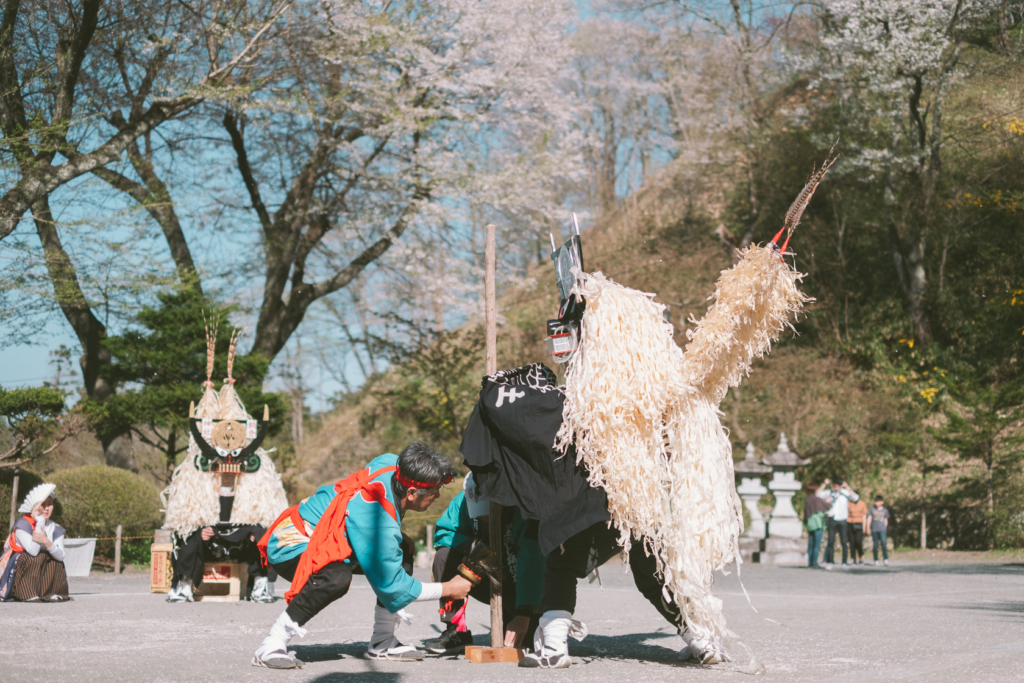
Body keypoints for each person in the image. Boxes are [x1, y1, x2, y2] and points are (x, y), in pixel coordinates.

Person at [253, 442, 474, 669]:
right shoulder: (378, 522)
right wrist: (449, 588)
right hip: (290, 543)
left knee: (404, 549)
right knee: (336, 577)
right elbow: (397, 587)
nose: (437, 495)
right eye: (435, 491)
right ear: (411, 492)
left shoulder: (392, 463)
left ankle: (382, 641)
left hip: (324, 532)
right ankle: (272, 643)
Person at [424, 473, 546, 655]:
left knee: (524, 640)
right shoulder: (462, 502)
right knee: (444, 555)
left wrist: (524, 614)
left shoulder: (524, 508)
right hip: (484, 574)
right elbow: (445, 533)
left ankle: (527, 614)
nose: (484, 519)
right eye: (479, 516)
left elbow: (532, 562)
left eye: (487, 514)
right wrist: (475, 547)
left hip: (517, 582)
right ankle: (456, 629)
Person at [166, 472, 275, 603]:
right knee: (187, 533)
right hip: (209, 546)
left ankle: (260, 586)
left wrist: (253, 531)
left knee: (261, 533)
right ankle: (183, 586)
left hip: (240, 544)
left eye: (231, 478)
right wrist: (200, 532)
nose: (226, 481)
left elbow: (261, 519)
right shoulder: (199, 491)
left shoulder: (250, 494)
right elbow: (188, 520)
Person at [0, 483, 69, 602]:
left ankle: (52, 592)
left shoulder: (55, 527)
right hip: (19, 564)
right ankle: (26, 592)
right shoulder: (23, 524)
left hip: (40, 563)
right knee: (33, 557)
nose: (46, 508)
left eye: (50, 504)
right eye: (43, 504)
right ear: (35, 506)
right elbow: (33, 550)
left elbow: (61, 555)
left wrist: (46, 542)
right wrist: (40, 523)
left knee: (55, 559)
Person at [817, 478, 859, 569]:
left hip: (843, 519)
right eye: (835, 485)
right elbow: (817, 494)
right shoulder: (829, 493)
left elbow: (855, 497)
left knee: (844, 542)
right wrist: (824, 484)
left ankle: (844, 562)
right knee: (831, 541)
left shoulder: (845, 492)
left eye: (839, 485)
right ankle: (830, 562)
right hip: (832, 518)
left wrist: (847, 487)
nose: (837, 487)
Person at [804, 483, 829, 568]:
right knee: (816, 544)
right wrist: (828, 501)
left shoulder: (807, 499)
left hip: (810, 524)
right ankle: (814, 562)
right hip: (817, 523)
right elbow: (826, 506)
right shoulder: (817, 499)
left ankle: (810, 562)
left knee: (811, 544)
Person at [867, 496, 889, 566]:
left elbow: (886, 520)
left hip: (882, 530)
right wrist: (868, 527)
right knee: (875, 545)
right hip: (874, 530)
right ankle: (876, 559)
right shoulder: (872, 509)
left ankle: (885, 558)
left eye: (879, 501)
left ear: (882, 502)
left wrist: (885, 528)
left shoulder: (885, 510)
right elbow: (869, 518)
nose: (877, 503)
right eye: (876, 501)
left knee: (883, 543)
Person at [847, 494, 868, 565]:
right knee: (852, 542)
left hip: (859, 524)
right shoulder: (848, 503)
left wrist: (864, 526)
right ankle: (853, 559)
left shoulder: (862, 503)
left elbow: (864, 515)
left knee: (858, 541)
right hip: (850, 523)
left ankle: (860, 557)